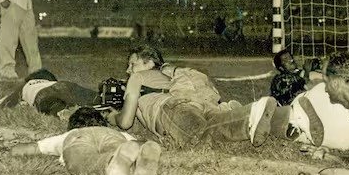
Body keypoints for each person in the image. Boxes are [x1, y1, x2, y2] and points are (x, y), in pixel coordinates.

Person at [106, 44, 276, 146]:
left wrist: (112, 117)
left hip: (172, 108)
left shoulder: (138, 77)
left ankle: (248, 115)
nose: (128, 70)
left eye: (132, 64)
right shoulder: (170, 75)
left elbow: (126, 122)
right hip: (198, 103)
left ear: (149, 63)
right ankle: (283, 119)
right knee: (213, 125)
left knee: (199, 137)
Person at [10, 107, 162, 175]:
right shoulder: (116, 132)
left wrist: (14, 148)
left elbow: (28, 148)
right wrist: (142, 145)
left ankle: (110, 164)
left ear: (72, 125)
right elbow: (140, 142)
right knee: (118, 148)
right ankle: (133, 167)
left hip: (79, 137)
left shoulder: (69, 134)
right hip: (110, 135)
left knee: (83, 160)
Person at [0, 68, 98, 116]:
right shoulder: (51, 82)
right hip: (65, 85)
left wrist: (0, 105)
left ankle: (60, 110)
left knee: (50, 107)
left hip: (42, 95)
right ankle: (104, 100)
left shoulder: (26, 86)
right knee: (93, 98)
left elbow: (7, 103)